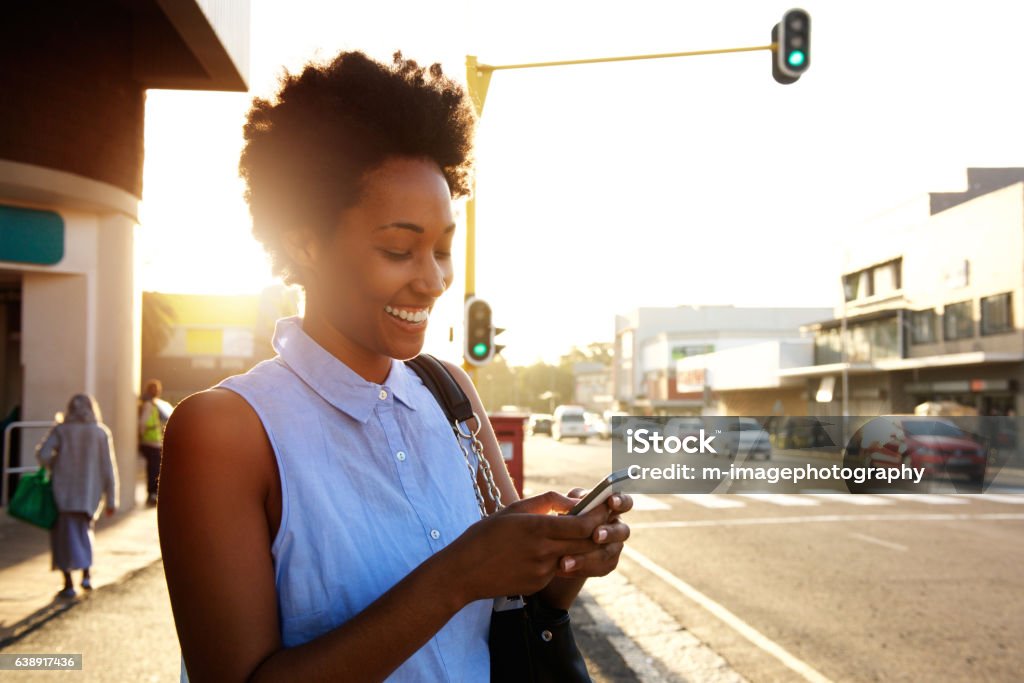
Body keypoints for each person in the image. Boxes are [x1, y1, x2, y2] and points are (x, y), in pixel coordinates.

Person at [158, 50, 634, 682]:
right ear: (305, 242)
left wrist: (560, 565)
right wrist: (459, 574)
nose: (433, 280)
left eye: (441, 248)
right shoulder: (225, 431)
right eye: (398, 249)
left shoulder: (448, 391)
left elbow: (507, 612)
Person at [36, 394, 118, 599]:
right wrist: (111, 499)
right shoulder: (100, 432)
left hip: (63, 493)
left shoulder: (61, 430)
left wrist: (57, 464)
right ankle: (87, 575)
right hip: (89, 494)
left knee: (63, 539)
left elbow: (43, 454)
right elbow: (109, 468)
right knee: (85, 534)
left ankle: (68, 584)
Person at [138, 379, 172, 506]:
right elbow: (143, 423)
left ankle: (152, 493)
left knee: (154, 468)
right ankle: (152, 494)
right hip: (150, 441)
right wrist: (141, 437)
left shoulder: (152, 404)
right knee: (154, 469)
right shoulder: (149, 405)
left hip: (152, 441)